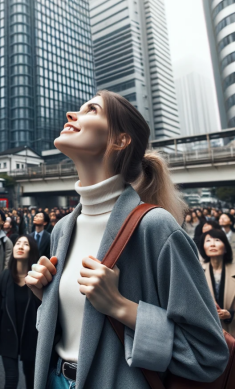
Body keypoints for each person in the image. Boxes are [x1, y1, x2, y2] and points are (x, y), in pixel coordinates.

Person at [26, 91, 228, 388]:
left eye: (91, 109)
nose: (71, 115)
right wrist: (47, 298)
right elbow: (66, 330)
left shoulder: (155, 227)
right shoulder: (63, 228)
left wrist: (120, 305)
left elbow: (208, 354)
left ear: (120, 140)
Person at [0, 236, 40, 389]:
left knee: (31, 378)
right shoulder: (3, 279)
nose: (20, 246)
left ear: (31, 250)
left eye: (25, 244)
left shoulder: (37, 279)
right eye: (18, 243)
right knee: (11, 379)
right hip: (8, 335)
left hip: (32, 336)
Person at [200, 229, 235, 336]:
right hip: (208, 332)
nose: (213, 244)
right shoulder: (197, 272)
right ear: (203, 247)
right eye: (208, 241)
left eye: (217, 240)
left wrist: (231, 314)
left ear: (225, 247)